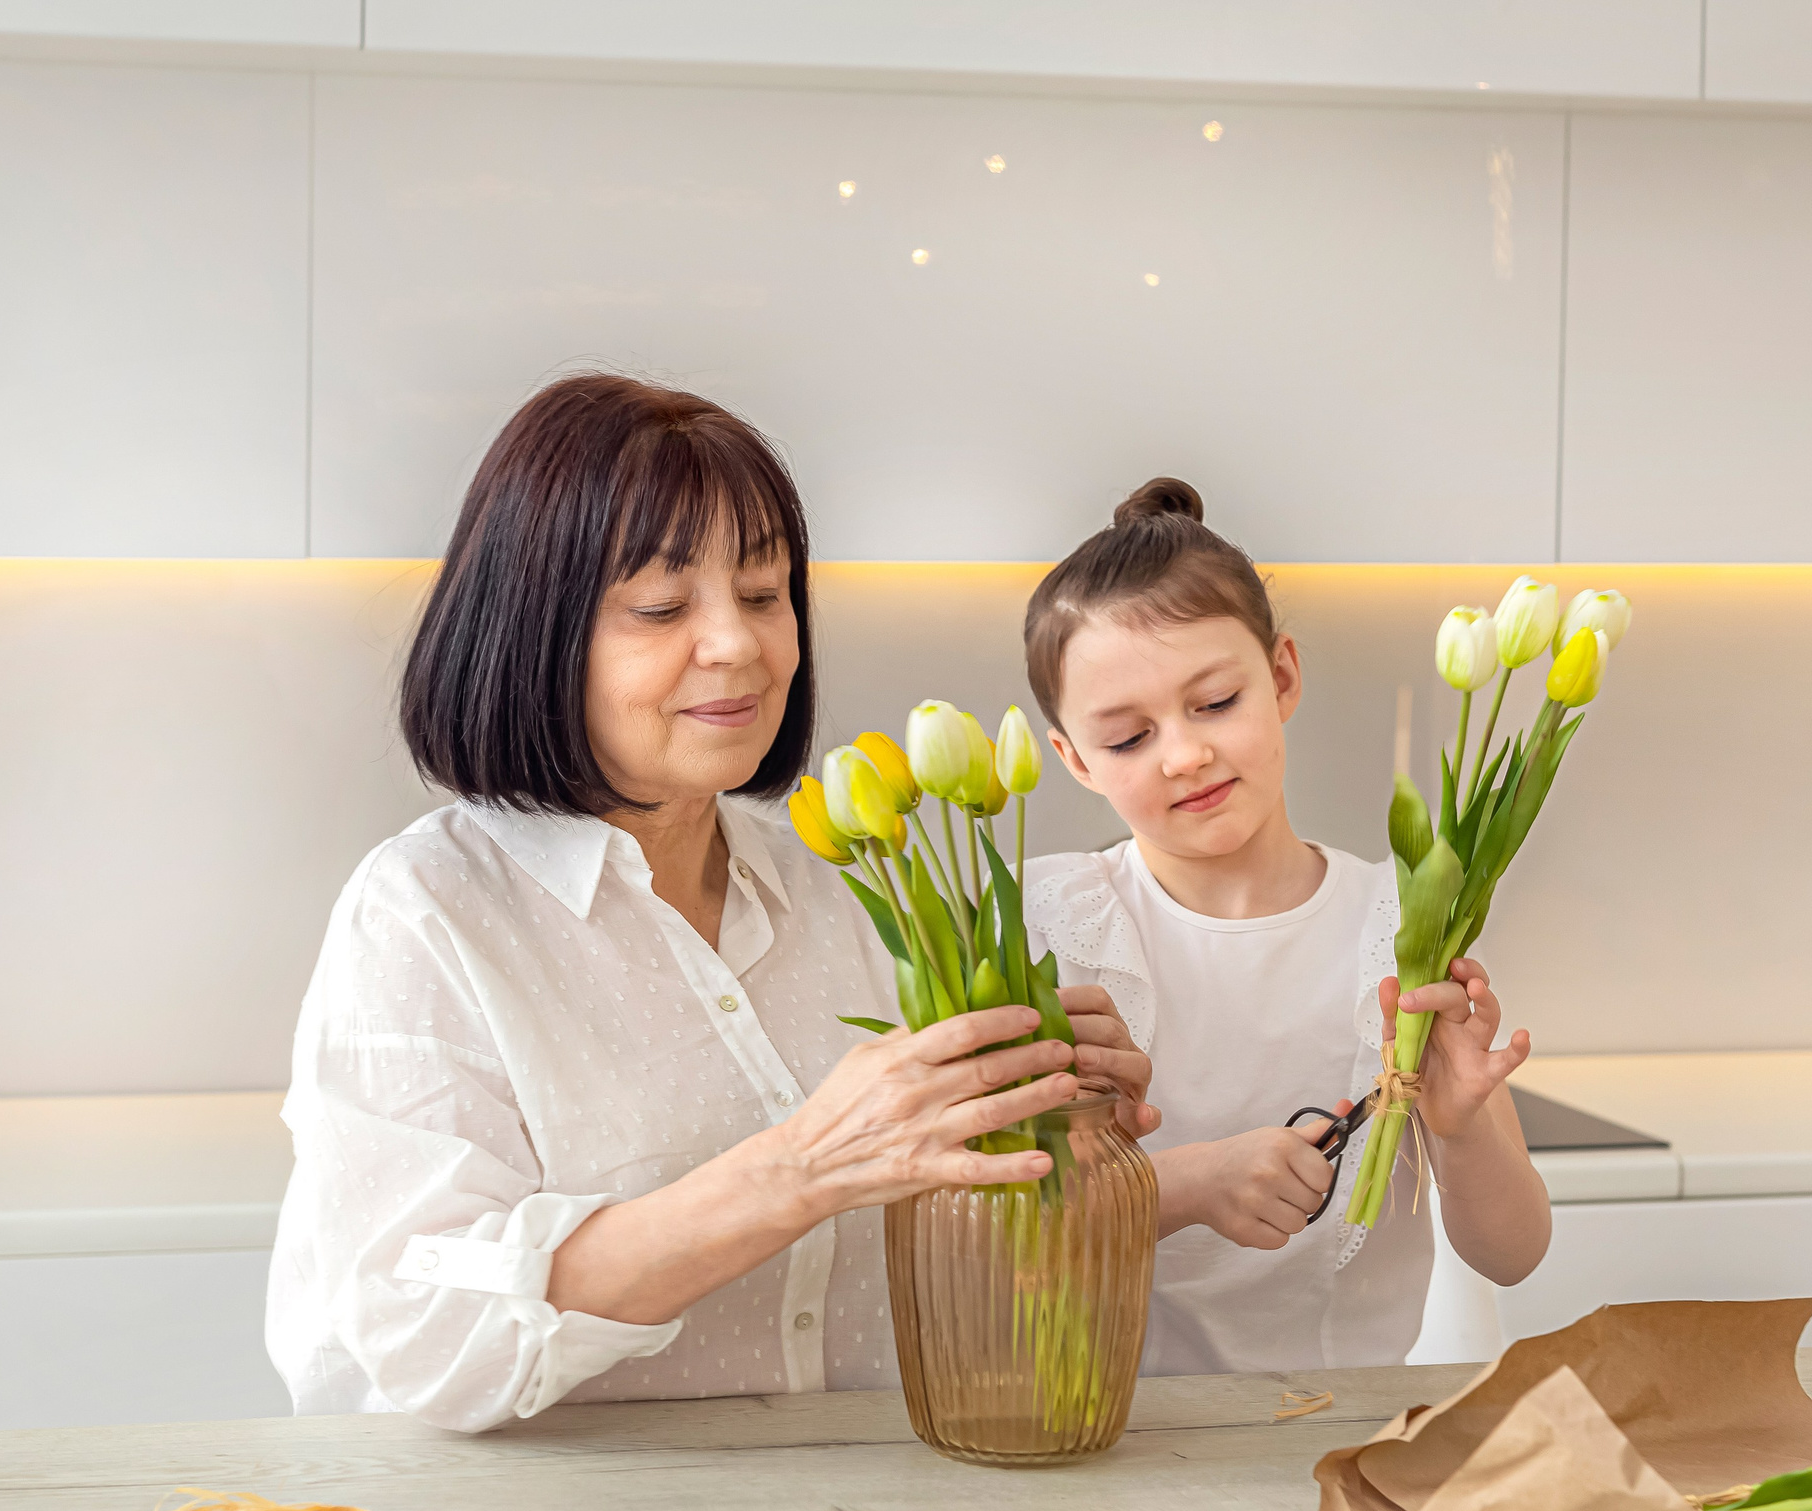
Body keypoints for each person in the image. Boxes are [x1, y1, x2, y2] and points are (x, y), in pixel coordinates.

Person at [266, 375, 1155, 1432]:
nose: (738, 644)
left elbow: (951, 1259)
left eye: (765, 593)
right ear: (533, 632)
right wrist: (803, 1167)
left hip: (858, 1499)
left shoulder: (846, 887)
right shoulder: (426, 912)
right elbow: (427, 1331)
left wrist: (1040, 1136)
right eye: (660, 607)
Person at [1022, 478, 1549, 1376]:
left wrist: (1463, 1128)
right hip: (1100, 1420)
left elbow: (1514, 1253)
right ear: (1074, 759)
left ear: (1281, 678)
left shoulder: (1404, 929)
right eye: (1128, 739)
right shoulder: (1048, 929)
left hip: (1351, 1420)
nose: (1186, 754)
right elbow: (990, 1236)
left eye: (1215, 702)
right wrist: (1184, 1187)